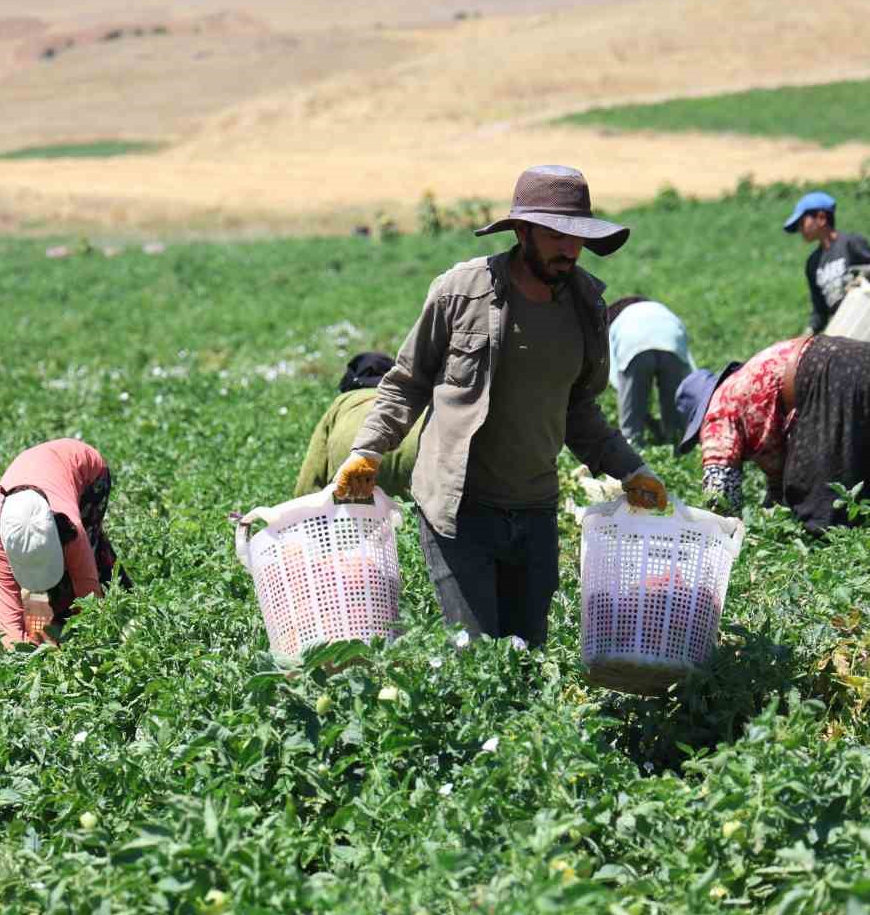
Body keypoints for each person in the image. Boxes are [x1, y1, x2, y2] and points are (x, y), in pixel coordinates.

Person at [334, 164, 668, 647]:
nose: (570, 249)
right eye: (557, 235)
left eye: (579, 237)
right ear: (524, 231)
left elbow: (580, 410)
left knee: (528, 655)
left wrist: (631, 469)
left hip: (534, 509)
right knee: (477, 657)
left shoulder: (587, 306)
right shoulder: (461, 291)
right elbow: (407, 382)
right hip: (459, 509)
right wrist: (368, 450)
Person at [674, 334, 870, 532]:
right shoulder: (746, 382)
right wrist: (773, 511)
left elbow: (720, 490)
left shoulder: (718, 408)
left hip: (833, 374)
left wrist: (724, 537)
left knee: (820, 509)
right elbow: (782, 478)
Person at [0, 438, 131, 647]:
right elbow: (9, 620)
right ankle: (125, 597)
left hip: (88, 471)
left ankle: (128, 606)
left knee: (78, 572)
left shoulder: (70, 527)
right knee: (86, 559)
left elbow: (87, 592)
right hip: (42, 471)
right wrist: (19, 652)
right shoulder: (0, 537)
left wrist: (90, 643)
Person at [293, 352, 425, 499]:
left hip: (355, 456)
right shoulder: (408, 397)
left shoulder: (342, 402)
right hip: (417, 449)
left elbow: (308, 483)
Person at [783, 191, 870, 334]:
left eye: (802, 223)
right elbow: (820, 311)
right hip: (845, 330)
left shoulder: (851, 243)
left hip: (868, 323)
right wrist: (809, 331)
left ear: (821, 218)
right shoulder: (812, 264)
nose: (800, 229)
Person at [607, 295, 696, 445]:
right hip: (671, 342)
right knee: (673, 401)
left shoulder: (617, 324)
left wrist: (635, 404)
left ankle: (632, 443)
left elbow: (617, 380)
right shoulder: (660, 311)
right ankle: (675, 440)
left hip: (633, 345)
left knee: (631, 422)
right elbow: (689, 369)